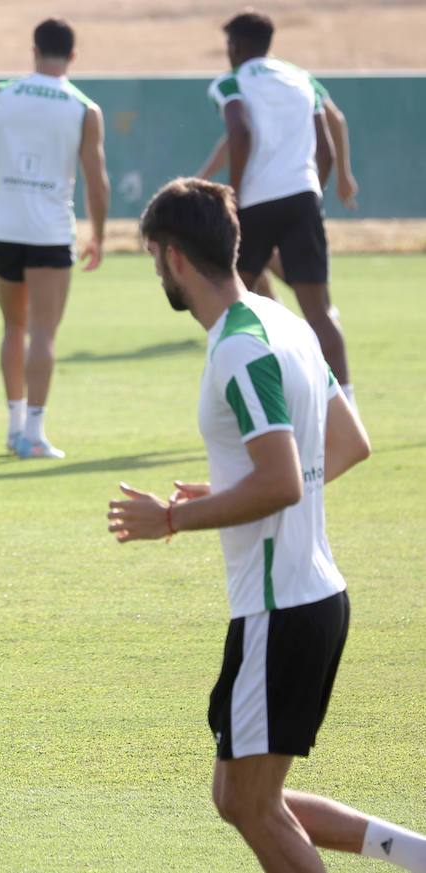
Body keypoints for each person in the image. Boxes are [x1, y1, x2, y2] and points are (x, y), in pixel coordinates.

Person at [108, 176, 426, 873]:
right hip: (309, 597)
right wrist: (232, 489)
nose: (156, 268)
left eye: (153, 255)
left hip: (280, 608)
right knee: (240, 795)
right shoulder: (286, 323)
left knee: (252, 804)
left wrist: (172, 516)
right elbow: (346, 445)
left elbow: (282, 481)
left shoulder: (238, 348)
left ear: (174, 258)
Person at [0, 17, 109, 459]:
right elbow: (97, 179)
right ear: (72, 56)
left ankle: (14, 428)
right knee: (44, 333)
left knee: (13, 326)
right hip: (51, 233)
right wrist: (99, 234)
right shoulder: (84, 108)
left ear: (34, 51)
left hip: (5, 229)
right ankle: (34, 432)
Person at [208, 10, 355, 407]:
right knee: (320, 313)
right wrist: (312, 190)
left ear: (235, 46)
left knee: (230, 306)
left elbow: (239, 133)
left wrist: (233, 196)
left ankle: (246, 401)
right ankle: (346, 407)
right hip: (303, 199)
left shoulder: (232, 82)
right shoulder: (300, 77)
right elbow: (324, 142)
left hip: (255, 204)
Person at [198, 78, 359, 301]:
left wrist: (343, 174)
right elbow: (235, 140)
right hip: (296, 190)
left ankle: (317, 307)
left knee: (258, 254)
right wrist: (201, 178)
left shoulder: (281, 80)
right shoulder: (286, 80)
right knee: (251, 256)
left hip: (281, 187)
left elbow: (335, 121)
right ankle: (292, 310)